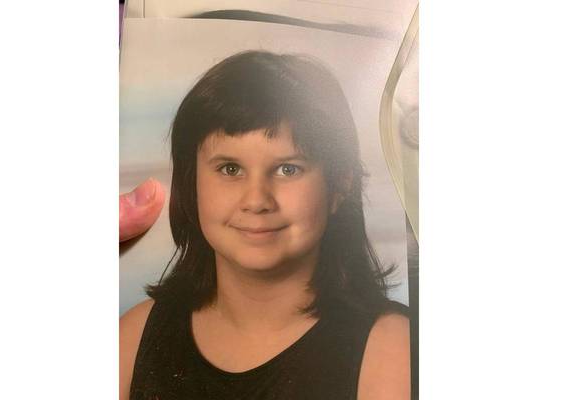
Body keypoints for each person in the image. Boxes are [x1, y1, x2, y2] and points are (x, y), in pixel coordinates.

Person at [120, 50, 410, 400]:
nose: (257, 200)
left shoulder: (393, 350)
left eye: (288, 169)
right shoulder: (132, 337)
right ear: (191, 182)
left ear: (339, 186)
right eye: (230, 169)